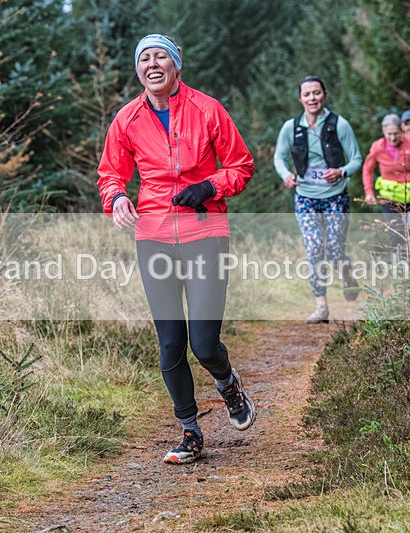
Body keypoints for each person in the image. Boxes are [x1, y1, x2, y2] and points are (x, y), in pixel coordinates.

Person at [97, 34, 256, 465]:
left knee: (203, 343)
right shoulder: (127, 119)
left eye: (160, 56)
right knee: (170, 343)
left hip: (205, 231)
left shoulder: (207, 109)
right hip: (154, 235)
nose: (152, 63)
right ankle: (190, 431)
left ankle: (228, 384)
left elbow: (241, 167)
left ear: (176, 66)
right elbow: (110, 174)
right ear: (138, 70)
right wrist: (117, 199)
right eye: (144, 58)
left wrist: (209, 185)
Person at [273, 75, 363, 324]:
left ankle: (347, 274)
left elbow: (356, 159)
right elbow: (279, 158)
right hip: (305, 198)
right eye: (307, 94)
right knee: (314, 250)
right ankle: (321, 306)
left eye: (316, 93)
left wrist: (341, 171)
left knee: (334, 249)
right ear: (300, 98)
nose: (312, 98)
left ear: (324, 95)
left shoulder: (339, 124)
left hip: (336, 197)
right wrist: (286, 175)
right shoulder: (291, 127)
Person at [363, 114, 410, 253]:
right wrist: (369, 192)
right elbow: (367, 169)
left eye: (396, 133)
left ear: (402, 131)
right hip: (389, 198)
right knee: (395, 234)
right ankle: (399, 268)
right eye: (389, 134)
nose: (392, 138)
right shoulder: (377, 147)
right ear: (383, 132)